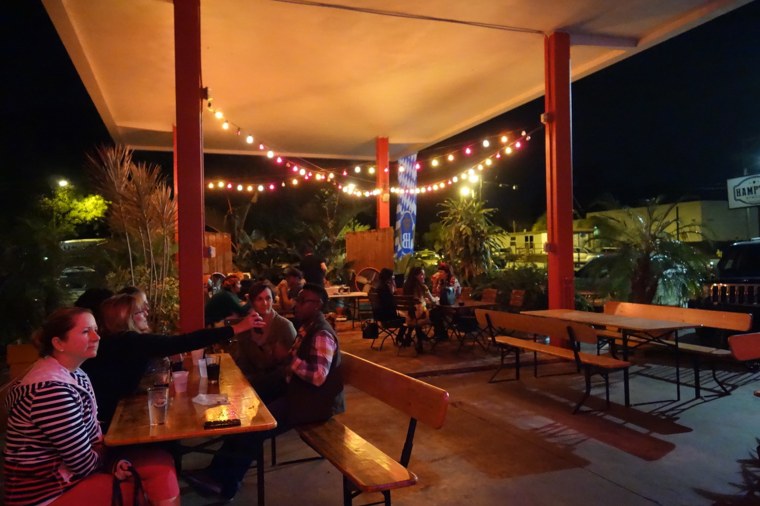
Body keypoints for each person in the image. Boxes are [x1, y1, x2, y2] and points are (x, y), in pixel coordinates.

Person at [3, 307, 180, 506]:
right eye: (86, 331)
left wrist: (109, 459)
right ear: (58, 343)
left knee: (160, 462)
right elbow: (82, 464)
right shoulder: (50, 390)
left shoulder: (75, 373)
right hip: (46, 494)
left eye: (96, 330)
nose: (97, 337)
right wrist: (110, 460)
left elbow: (89, 443)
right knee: (146, 485)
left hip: (69, 476)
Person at [184, 283, 344, 500]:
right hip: (297, 391)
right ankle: (216, 472)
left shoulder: (321, 334)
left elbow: (317, 377)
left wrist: (288, 359)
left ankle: (226, 485)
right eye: (298, 298)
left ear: (319, 305)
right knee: (245, 414)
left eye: (303, 300)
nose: (297, 304)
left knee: (254, 427)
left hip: (312, 403)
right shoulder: (307, 327)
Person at [82, 293, 263, 430]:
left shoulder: (114, 340)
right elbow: (184, 342)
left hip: (109, 413)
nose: (145, 314)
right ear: (126, 318)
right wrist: (238, 328)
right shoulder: (130, 340)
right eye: (139, 312)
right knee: (167, 428)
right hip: (109, 421)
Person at [233, 282, 297, 402]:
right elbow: (242, 360)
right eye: (259, 299)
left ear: (273, 300)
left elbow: (290, 364)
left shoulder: (284, 326)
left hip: (276, 385)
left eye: (268, 298)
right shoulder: (246, 326)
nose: (265, 303)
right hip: (250, 381)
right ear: (252, 302)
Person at [403, 266, 447, 343]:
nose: (424, 276)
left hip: (408, 317)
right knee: (437, 312)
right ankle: (441, 334)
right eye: (422, 274)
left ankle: (434, 335)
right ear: (415, 276)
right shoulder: (422, 287)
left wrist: (424, 300)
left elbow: (417, 300)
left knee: (435, 312)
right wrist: (437, 299)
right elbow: (433, 301)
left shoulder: (407, 286)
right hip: (420, 317)